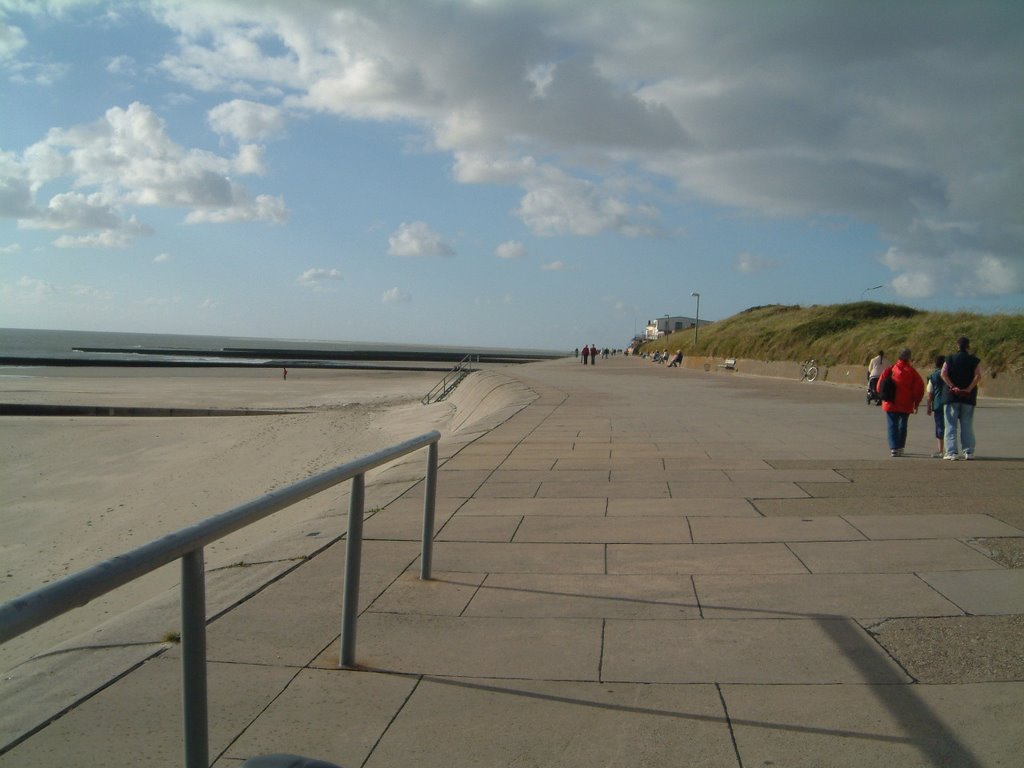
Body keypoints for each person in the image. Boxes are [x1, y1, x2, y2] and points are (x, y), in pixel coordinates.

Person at [940, 336, 982, 460]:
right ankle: (968, 452)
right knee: (967, 424)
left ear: (957, 346)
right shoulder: (974, 360)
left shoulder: (950, 359)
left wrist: (952, 386)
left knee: (950, 425)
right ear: (968, 347)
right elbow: (978, 376)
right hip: (968, 397)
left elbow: (943, 374)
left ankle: (952, 452)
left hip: (951, 397)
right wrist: (969, 388)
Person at [879, 348, 924, 457]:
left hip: (891, 403)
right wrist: (916, 403)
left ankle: (893, 448)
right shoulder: (912, 372)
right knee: (903, 425)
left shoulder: (890, 369)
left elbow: (879, 385)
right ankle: (900, 447)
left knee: (892, 425)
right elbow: (919, 389)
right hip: (906, 403)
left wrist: (882, 396)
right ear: (909, 358)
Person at [925, 355, 945, 458]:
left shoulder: (933, 376)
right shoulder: (949, 374)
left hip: (938, 405)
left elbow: (929, 394)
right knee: (950, 427)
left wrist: (928, 407)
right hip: (950, 404)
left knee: (940, 427)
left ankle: (941, 450)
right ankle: (951, 449)